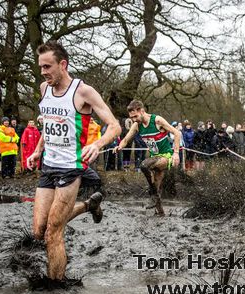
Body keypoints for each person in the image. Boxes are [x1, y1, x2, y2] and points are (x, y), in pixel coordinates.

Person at [26, 40, 121, 281]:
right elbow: (48, 125)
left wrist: (97, 144)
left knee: (53, 232)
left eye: (47, 67)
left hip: (71, 167)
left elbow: (114, 126)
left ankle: (55, 289)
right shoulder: (44, 89)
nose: (43, 72)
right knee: (38, 231)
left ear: (63, 64)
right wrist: (38, 150)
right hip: (49, 165)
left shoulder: (83, 91)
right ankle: (89, 206)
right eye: (41, 67)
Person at [115, 100, 181, 216]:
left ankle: (152, 195)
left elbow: (177, 133)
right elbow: (126, 140)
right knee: (156, 189)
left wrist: (176, 153)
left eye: (135, 116)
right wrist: (119, 147)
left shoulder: (157, 120)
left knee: (144, 165)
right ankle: (160, 214)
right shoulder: (136, 125)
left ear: (142, 111)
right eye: (131, 117)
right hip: (153, 158)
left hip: (166, 156)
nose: (134, 119)